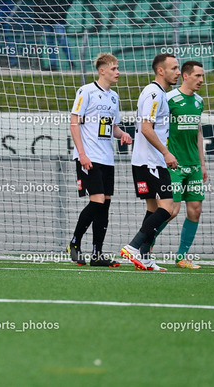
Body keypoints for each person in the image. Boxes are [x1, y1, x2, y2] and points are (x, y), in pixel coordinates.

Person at [68, 53, 132, 267]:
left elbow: (111, 127)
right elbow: (74, 123)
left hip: (107, 158)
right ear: (102, 70)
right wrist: (82, 154)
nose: (118, 72)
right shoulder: (86, 91)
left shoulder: (114, 97)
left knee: (104, 205)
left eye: (118, 68)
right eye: (114, 69)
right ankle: (74, 243)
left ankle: (97, 254)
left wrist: (122, 134)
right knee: (97, 202)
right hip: (89, 157)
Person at [120, 53, 180, 271]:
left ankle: (144, 257)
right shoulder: (155, 93)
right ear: (160, 70)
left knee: (153, 209)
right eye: (174, 68)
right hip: (151, 162)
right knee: (168, 208)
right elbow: (146, 128)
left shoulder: (158, 93)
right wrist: (166, 153)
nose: (178, 72)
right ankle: (133, 247)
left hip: (144, 161)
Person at [150, 61, 206, 269]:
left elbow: (198, 132)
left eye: (202, 76)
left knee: (196, 210)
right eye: (198, 76)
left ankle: (182, 257)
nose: (201, 80)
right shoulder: (168, 99)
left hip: (194, 166)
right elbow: (154, 127)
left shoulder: (199, 102)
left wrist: (202, 164)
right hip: (174, 165)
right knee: (171, 210)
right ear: (185, 75)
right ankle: (147, 244)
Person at [35, 0, 74, 71]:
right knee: (50, 43)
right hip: (46, 19)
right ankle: (53, 65)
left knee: (62, 40)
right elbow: (40, 0)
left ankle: (71, 61)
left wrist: (60, 10)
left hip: (58, 19)